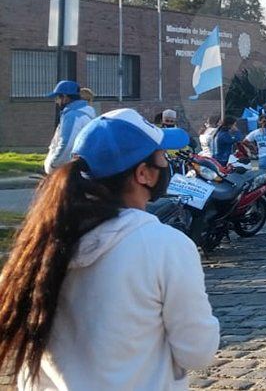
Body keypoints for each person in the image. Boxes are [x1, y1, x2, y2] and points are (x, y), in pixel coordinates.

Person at [0, 108, 220, 389]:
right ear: (144, 174)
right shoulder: (165, 245)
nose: (167, 163)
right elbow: (197, 352)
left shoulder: (41, 239)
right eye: (162, 156)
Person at [43, 80, 95, 174]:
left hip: (72, 169)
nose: (56, 101)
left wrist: (53, 164)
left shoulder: (72, 116)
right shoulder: (86, 113)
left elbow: (66, 145)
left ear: (65, 97)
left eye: (57, 98)